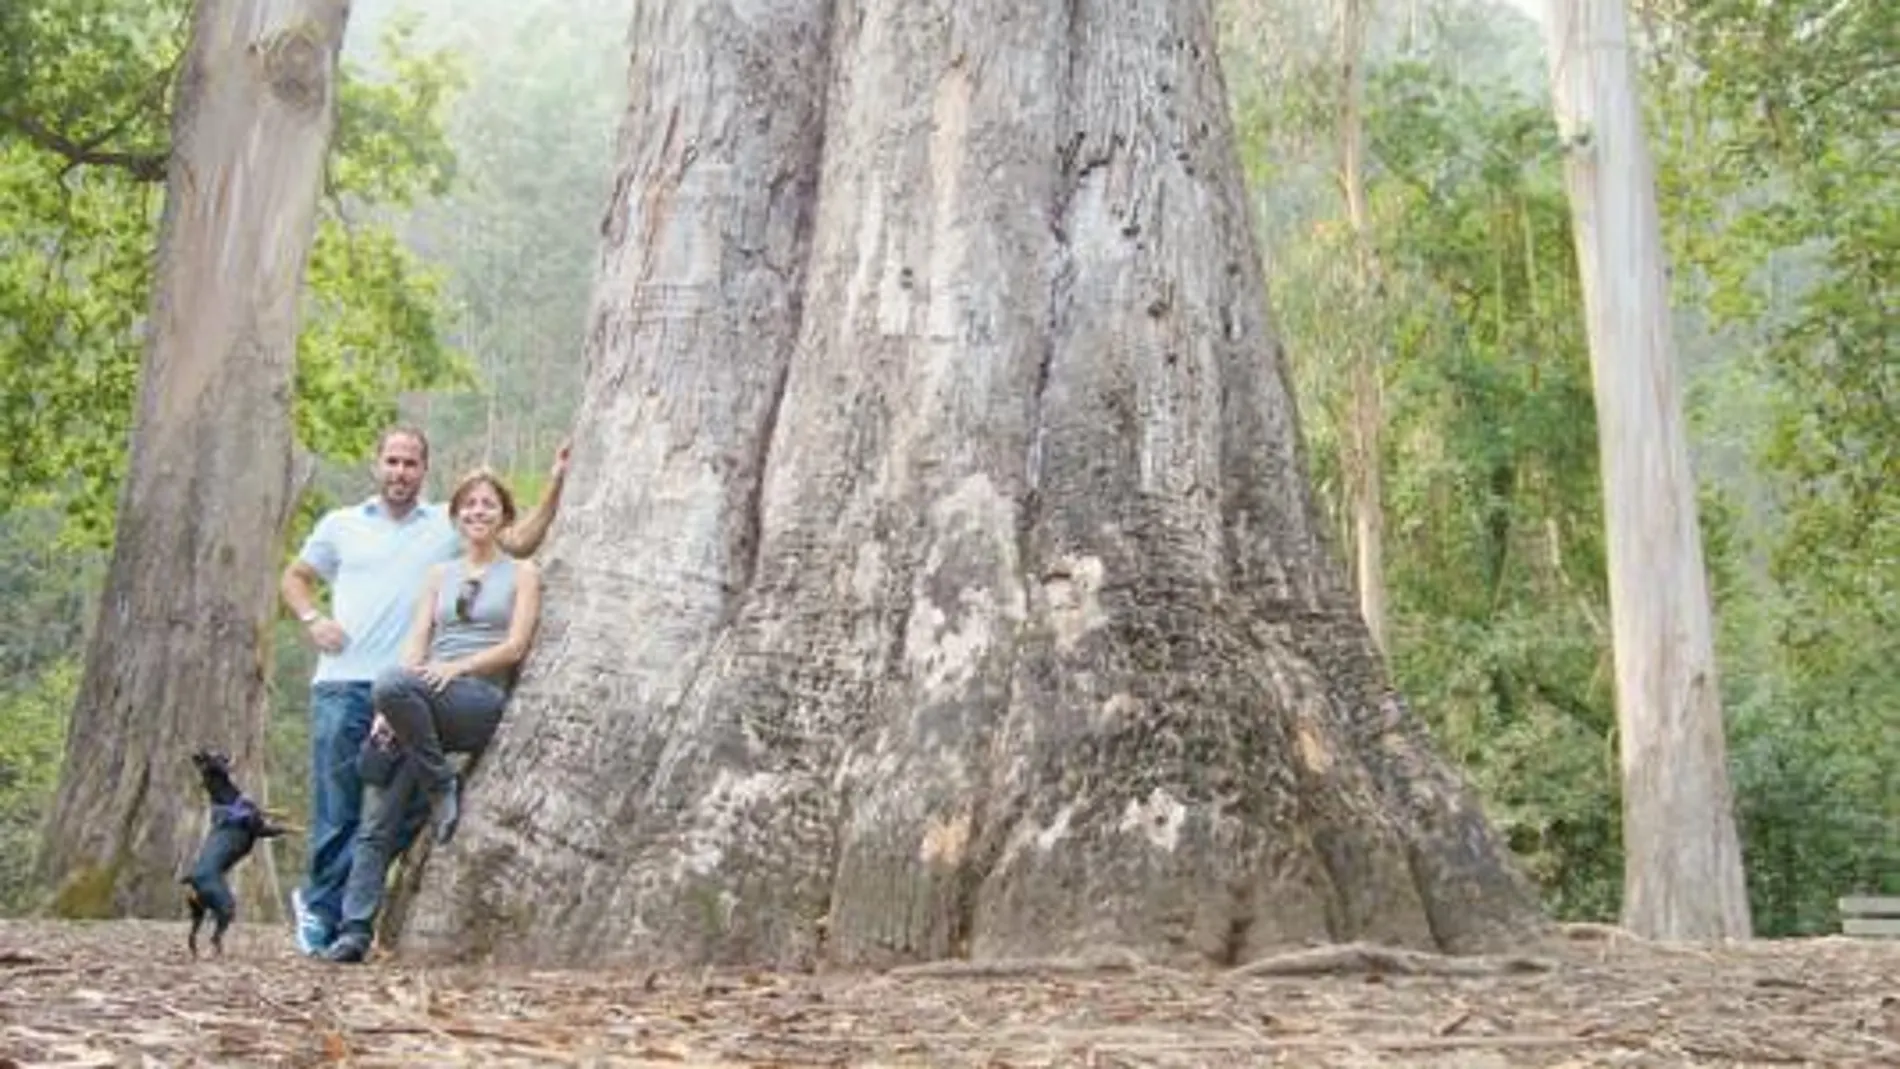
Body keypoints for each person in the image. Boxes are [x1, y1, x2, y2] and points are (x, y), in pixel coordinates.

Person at [279, 427, 567, 956]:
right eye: (392, 461)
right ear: (377, 465)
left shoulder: (451, 529)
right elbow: (296, 579)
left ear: (424, 470)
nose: (400, 471)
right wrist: (313, 619)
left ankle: (362, 898)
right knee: (349, 810)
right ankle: (334, 919)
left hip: (434, 691)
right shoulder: (344, 525)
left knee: (396, 809)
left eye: (410, 463)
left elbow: (520, 540)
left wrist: (556, 482)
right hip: (353, 685)